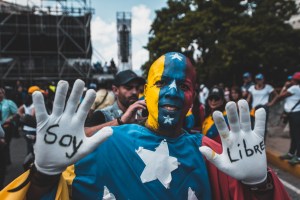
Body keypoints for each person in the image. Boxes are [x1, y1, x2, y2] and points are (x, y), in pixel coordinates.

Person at [1, 52, 289, 199]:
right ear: (145, 93)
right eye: (162, 82)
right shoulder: (100, 142)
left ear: (192, 97)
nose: (173, 91)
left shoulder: (211, 153)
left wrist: (259, 183)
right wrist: (44, 174)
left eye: (184, 85)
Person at [84, 70, 146, 136]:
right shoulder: (102, 115)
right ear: (115, 90)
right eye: (128, 88)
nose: (135, 92)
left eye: (137, 88)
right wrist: (120, 121)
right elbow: (84, 134)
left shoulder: (143, 114)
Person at [276, 72, 300, 165]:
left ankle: (298, 156)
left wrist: (285, 86)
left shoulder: (294, 88)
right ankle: (291, 153)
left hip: (295, 114)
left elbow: (280, 96)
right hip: (294, 114)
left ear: (296, 80)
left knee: (296, 135)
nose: (291, 81)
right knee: (294, 135)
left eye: (292, 79)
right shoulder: (296, 88)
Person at [247, 73, 279, 139]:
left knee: (263, 126)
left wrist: (271, 103)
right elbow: (248, 98)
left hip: (264, 108)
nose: (258, 81)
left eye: (260, 79)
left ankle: (263, 141)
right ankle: (254, 140)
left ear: (263, 80)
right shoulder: (252, 88)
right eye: (257, 79)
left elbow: (276, 95)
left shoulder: (268, 87)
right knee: (253, 124)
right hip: (254, 108)